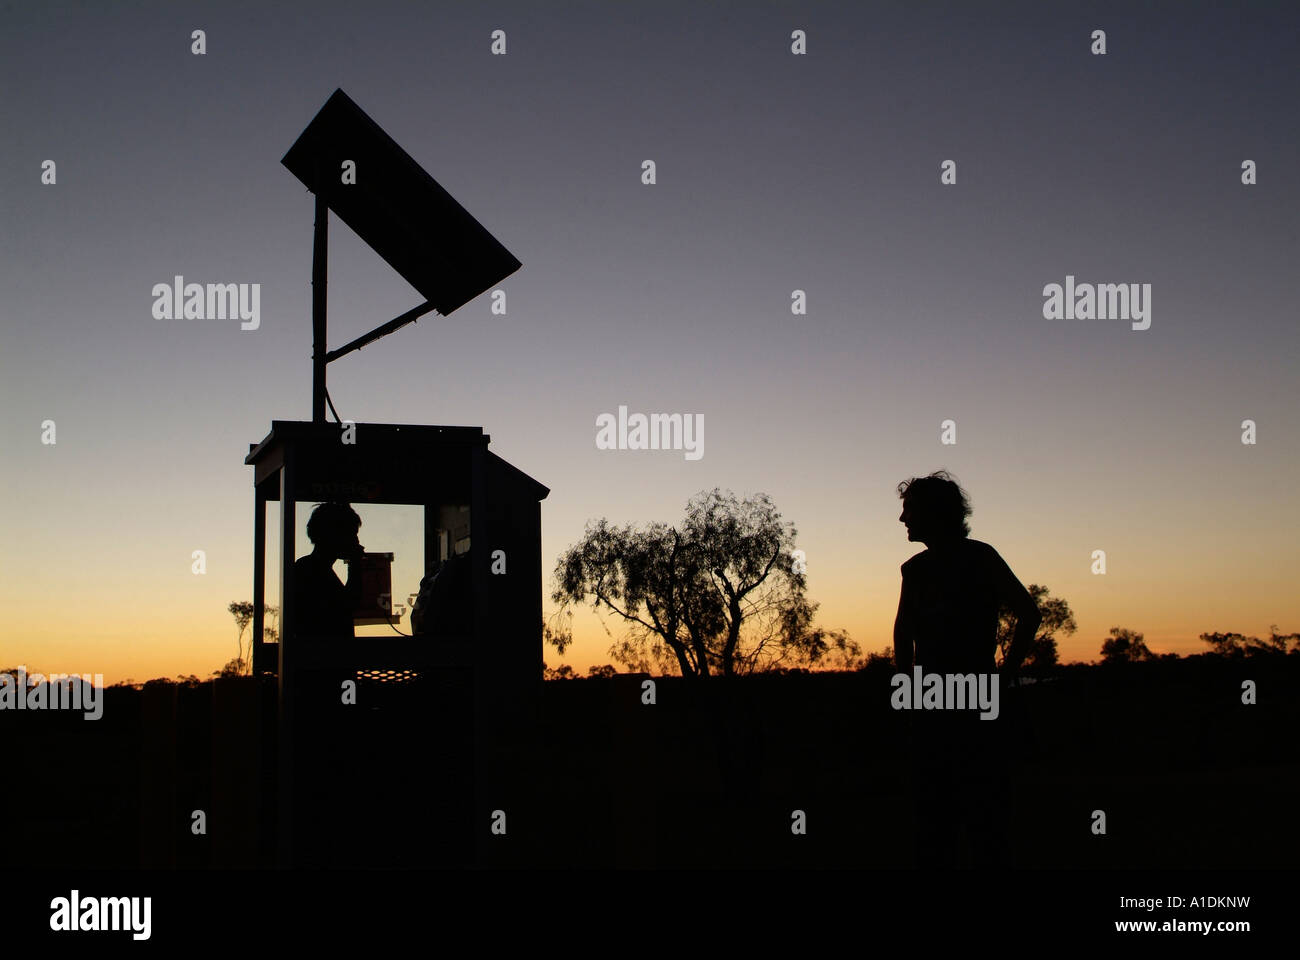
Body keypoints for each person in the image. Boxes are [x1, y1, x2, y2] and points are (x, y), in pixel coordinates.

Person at [892, 471, 1041, 868]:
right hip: (936, 705)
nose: (903, 520)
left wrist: (1004, 675)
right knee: (937, 822)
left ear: (933, 513)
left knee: (980, 821)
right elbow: (903, 635)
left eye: (909, 511)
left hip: (971, 705)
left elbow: (1029, 615)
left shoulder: (980, 558)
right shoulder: (915, 569)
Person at [291, 501, 365, 641]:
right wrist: (355, 564)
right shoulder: (310, 571)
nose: (356, 540)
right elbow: (347, 605)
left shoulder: (310, 568)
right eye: (351, 534)